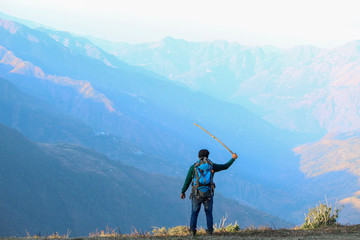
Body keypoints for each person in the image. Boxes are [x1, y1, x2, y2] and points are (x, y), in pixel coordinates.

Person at [181, 149, 238, 236]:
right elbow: (225, 166)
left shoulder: (193, 167)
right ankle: (210, 232)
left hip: (196, 193)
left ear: (198, 156)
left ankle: (192, 232)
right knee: (208, 213)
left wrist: (183, 191)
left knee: (194, 213)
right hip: (208, 193)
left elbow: (187, 181)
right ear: (208, 156)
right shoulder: (212, 166)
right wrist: (233, 158)